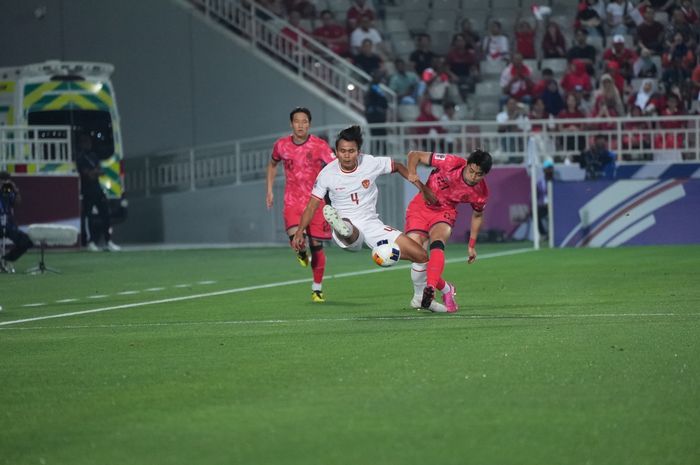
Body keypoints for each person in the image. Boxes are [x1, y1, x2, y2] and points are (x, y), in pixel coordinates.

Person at [291, 125, 450, 312]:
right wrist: (300, 231)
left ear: (359, 151)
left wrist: (422, 188)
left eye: (351, 151)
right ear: (336, 151)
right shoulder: (327, 174)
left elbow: (398, 166)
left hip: (372, 225)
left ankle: (417, 297)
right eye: (342, 151)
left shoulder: (370, 163)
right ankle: (341, 226)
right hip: (347, 226)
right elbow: (312, 205)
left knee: (421, 256)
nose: (346, 155)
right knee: (349, 229)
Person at [405, 149, 493, 312]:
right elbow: (414, 155)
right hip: (420, 207)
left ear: (485, 174)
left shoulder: (481, 193)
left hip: (445, 212)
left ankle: (429, 289)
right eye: (471, 171)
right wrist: (412, 173)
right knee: (418, 256)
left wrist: (471, 244)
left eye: (478, 174)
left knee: (438, 241)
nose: (473, 177)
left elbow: (477, 215)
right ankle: (446, 289)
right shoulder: (451, 162)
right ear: (466, 165)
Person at [266, 107, 335, 303]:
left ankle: (317, 289)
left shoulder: (319, 146)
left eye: (304, 121)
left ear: (309, 124)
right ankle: (300, 252)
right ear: (291, 124)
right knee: (297, 241)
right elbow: (272, 164)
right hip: (292, 202)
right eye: (297, 121)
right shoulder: (281, 146)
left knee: (317, 246)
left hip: (316, 202)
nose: (301, 125)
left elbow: (334, 167)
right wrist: (269, 190)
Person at [76, 133, 120, 252]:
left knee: (105, 214)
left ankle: (108, 241)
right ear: (81, 143)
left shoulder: (93, 156)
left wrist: (94, 172)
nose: (89, 144)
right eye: (86, 142)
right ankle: (90, 242)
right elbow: (88, 175)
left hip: (98, 189)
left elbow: (101, 172)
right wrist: (94, 172)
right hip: (87, 190)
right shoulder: (80, 158)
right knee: (88, 216)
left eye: (89, 142)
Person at [0, 171, 33, 273]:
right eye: (3, 180)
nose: (5, 182)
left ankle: (6, 259)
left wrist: (16, 191)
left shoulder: (7, 189)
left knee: (26, 241)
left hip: (7, 223)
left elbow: (16, 203)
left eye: (7, 180)